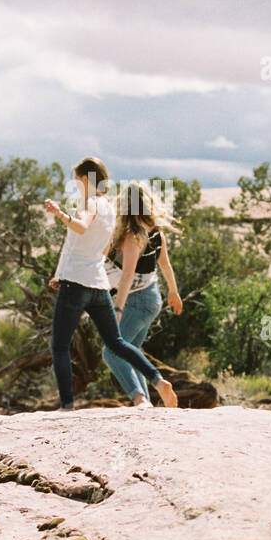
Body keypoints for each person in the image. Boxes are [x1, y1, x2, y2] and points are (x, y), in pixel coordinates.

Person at [46, 157, 178, 411]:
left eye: (76, 179)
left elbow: (81, 228)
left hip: (78, 283)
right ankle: (157, 382)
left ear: (85, 179)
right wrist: (59, 272)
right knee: (117, 343)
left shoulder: (92, 206)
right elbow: (98, 250)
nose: (75, 184)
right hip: (101, 286)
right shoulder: (108, 207)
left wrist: (59, 213)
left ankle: (68, 406)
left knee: (61, 346)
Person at [102, 181, 183, 407]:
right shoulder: (156, 233)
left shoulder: (133, 236)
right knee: (132, 352)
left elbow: (127, 276)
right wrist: (174, 293)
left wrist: (118, 307)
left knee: (111, 351)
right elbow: (166, 266)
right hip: (153, 299)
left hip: (136, 302)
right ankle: (146, 402)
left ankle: (140, 399)